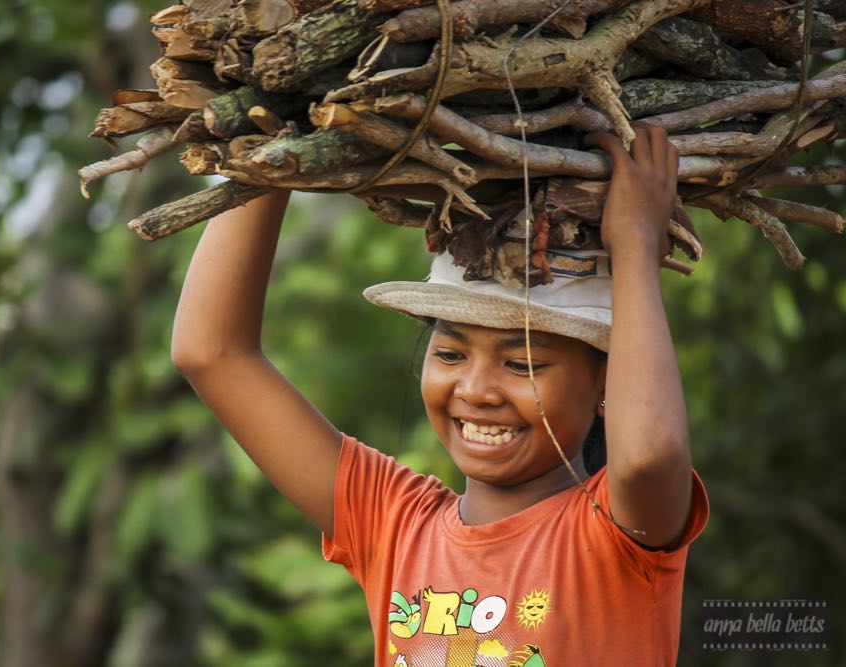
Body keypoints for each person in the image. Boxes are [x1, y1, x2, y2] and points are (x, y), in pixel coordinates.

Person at [171, 122, 709, 666]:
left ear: (605, 383)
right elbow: (212, 354)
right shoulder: (392, 522)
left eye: (522, 364)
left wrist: (636, 248)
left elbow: (647, 457)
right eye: (450, 355)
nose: (475, 390)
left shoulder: (617, 535)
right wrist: (276, 146)